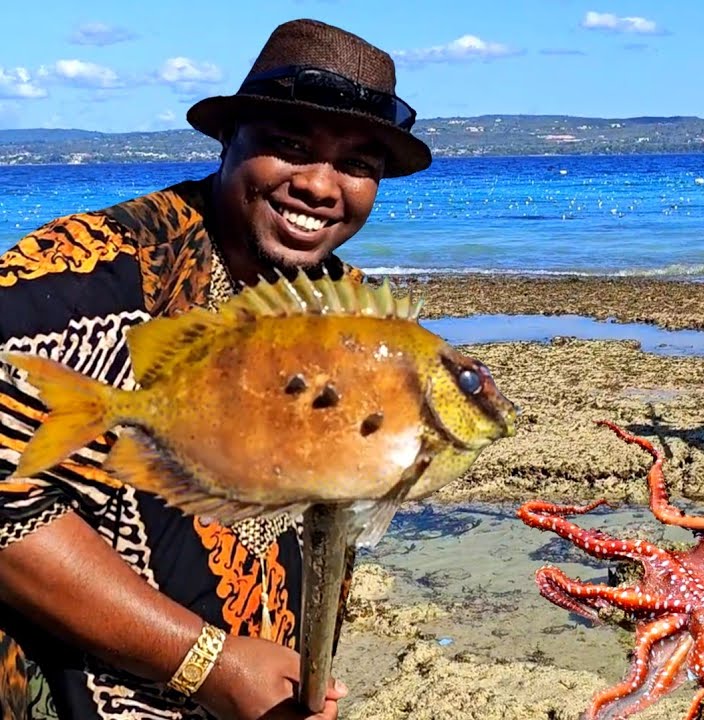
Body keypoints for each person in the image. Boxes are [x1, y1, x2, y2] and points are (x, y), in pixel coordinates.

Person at [0, 18, 433, 719]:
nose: (320, 185)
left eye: (357, 163)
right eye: (291, 146)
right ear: (229, 139)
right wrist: (208, 663)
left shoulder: (353, 318)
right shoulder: (90, 272)